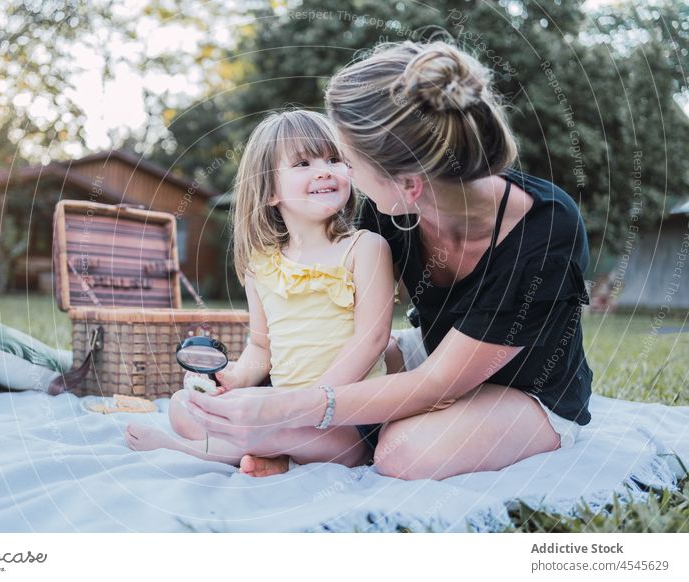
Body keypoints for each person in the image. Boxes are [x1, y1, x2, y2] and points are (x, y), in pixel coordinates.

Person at [183, 40, 594, 481]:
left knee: (401, 451)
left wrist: (287, 408)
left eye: (347, 162)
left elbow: (438, 384)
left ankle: (292, 442)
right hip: (439, 351)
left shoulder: (545, 233)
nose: (343, 177)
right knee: (320, 370)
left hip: (527, 389)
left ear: (408, 185)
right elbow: (358, 325)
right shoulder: (389, 209)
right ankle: (287, 448)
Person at [125, 109, 396, 475]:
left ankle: (189, 450)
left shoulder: (366, 248)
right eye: (303, 163)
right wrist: (233, 379)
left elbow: (372, 339)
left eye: (335, 159)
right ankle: (274, 457)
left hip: (347, 418)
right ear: (269, 191)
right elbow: (262, 347)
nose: (325, 170)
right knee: (181, 404)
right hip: (280, 408)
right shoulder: (261, 264)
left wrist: (306, 403)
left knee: (279, 427)